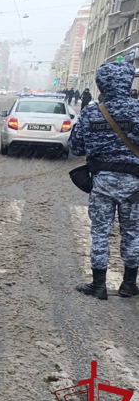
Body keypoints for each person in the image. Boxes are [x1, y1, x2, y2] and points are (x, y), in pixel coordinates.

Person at [69, 62, 139, 300]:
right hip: (134, 186)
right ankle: (129, 284)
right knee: (132, 233)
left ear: (101, 84)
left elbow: (76, 146)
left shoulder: (91, 112)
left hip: (102, 183)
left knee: (100, 232)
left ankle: (98, 286)